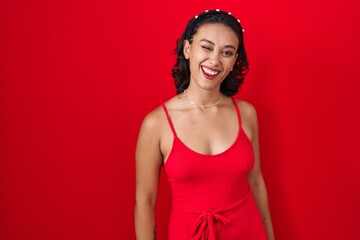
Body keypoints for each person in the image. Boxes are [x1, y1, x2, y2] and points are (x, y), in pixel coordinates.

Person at [135, 9, 275, 240]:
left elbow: (256, 182)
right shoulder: (156, 124)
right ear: (188, 49)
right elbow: (145, 202)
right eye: (207, 47)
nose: (214, 60)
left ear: (234, 62)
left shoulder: (247, 114)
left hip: (249, 231)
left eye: (227, 52)